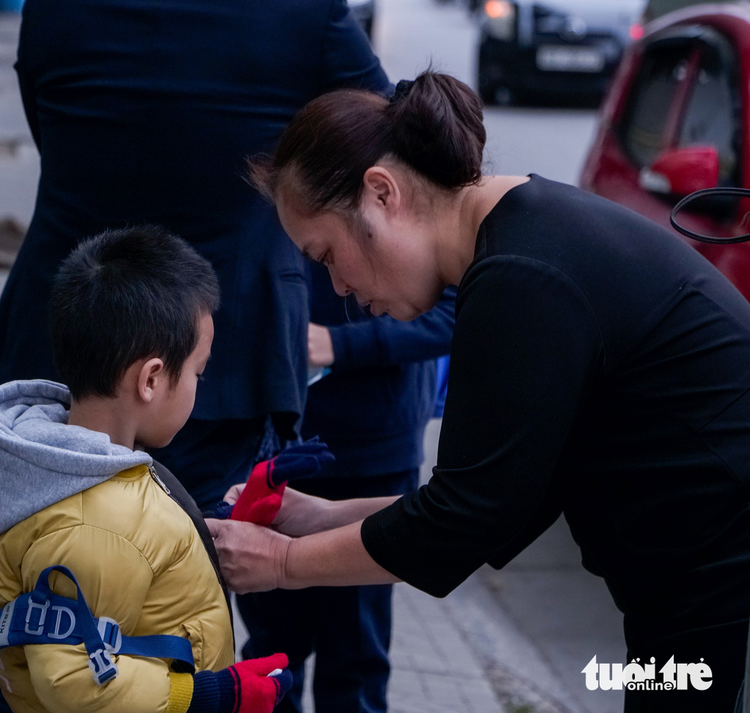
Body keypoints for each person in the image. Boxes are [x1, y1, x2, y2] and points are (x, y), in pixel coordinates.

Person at [207, 71, 750, 713]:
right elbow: (497, 498)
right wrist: (317, 516)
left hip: (717, 578)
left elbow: (461, 521)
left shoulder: (521, 279)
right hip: (687, 581)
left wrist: (280, 564)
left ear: (381, 194)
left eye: (326, 255)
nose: (340, 287)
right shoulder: (523, 238)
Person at [0, 0, 390, 514]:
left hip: (65, 325)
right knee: (196, 565)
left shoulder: (53, 8)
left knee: (37, 553)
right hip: (226, 347)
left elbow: (44, 125)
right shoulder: (304, 12)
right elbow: (383, 133)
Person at [0, 227, 291, 713]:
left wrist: (210, 525)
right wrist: (215, 694)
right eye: (198, 371)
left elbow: (138, 554)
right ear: (151, 378)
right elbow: (74, 683)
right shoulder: (91, 524)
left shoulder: (87, 470)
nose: (199, 385)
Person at [237, 269, 455, 713]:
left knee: (354, 657)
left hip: (375, 450)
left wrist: (342, 345)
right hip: (274, 440)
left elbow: (458, 311)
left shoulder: (418, 209)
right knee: (271, 654)